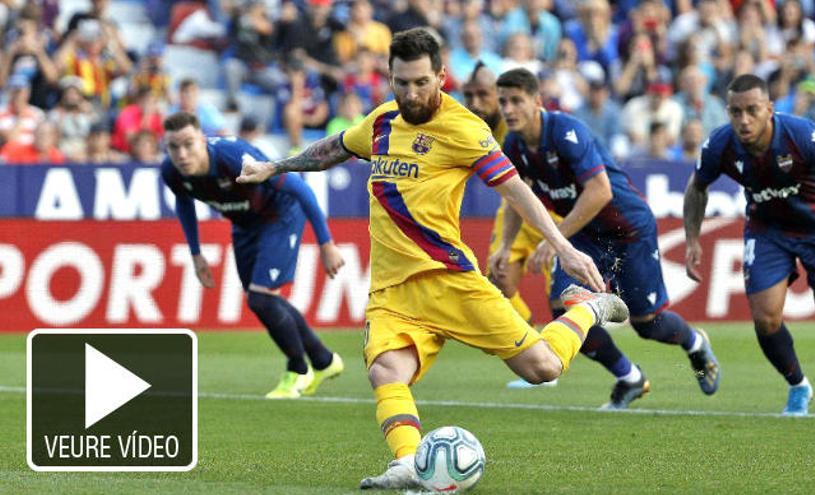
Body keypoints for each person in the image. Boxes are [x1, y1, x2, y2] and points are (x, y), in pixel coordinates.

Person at [236, 28, 628, 490]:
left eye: (421, 82)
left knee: (542, 369)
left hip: (450, 279)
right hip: (393, 288)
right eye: (401, 82)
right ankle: (407, 462)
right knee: (385, 370)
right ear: (390, 77)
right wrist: (275, 166)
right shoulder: (382, 122)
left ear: (441, 76)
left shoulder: (464, 128)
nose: (411, 92)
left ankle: (588, 308)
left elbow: (515, 190)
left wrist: (562, 246)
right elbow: (333, 149)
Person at [494, 68, 721, 409]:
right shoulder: (513, 144)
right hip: (586, 235)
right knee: (565, 311)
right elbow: (515, 194)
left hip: (628, 230)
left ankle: (694, 343)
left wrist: (553, 240)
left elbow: (599, 191)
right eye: (503, 102)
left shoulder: (565, 131)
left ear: (537, 101)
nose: (508, 109)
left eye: (516, 101)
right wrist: (506, 245)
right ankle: (630, 377)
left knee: (648, 324)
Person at [684, 74, 815, 416]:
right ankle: (799, 386)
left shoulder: (802, 136)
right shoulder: (720, 145)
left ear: (769, 109)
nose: (743, 120)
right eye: (736, 112)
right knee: (765, 319)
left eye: (752, 110)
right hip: (767, 230)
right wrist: (693, 238)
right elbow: (697, 186)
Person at [161, 111, 346, 400]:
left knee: (260, 297)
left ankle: (298, 370)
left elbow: (300, 188)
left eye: (188, 144)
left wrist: (327, 243)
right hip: (244, 225)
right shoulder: (171, 172)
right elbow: (183, 202)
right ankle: (323, 360)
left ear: (203, 139)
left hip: (280, 214)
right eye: (174, 147)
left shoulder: (234, 158)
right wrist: (196, 254)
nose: (182, 154)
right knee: (264, 300)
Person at [461, 62, 557, 389]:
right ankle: (535, 351)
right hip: (515, 210)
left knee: (561, 299)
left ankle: (624, 371)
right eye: (469, 95)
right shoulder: (472, 124)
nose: (475, 102)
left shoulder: (516, 122)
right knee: (499, 281)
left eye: (483, 95)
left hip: (549, 210)